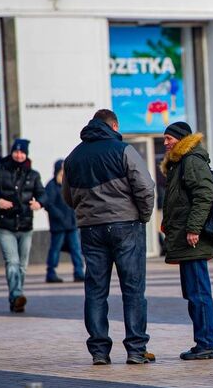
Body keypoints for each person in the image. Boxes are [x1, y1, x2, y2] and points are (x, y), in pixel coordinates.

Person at [62, 109, 156, 366]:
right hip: (126, 225)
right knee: (133, 289)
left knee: (95, 291)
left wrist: (88, 211)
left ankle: (99, 352)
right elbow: (145, 187)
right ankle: (136, 350)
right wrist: (143, 216)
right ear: (114, 126)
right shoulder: (123, 150)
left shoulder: (73, 157)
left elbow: (67, 196)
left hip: (91, 229)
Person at [160, 121, 213, 361]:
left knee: (199, 294)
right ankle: (203, 342)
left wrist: (194, 228)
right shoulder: (180, 162)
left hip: (192, 239)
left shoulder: (191, 161)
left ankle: (207, 344)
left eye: (169, 138)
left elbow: (204, 195)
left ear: (182, 139)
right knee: (193, 293)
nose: (165, 143)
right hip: (185, 237)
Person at [0, 138, 45, 312]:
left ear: (26, 154)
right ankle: (16, 295)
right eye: (16, 151)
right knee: (12, 262)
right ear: (11, 153)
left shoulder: (33, 175)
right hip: (5, 226)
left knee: (22, 266)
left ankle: (16, 298)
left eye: (22, 152)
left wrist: (39, 203)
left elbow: (43, 194)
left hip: (25, 226)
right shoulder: (1, 173)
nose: (19, 155)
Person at [43, 159, 85, 283]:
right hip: (59, 226)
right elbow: (48, 204)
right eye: (61, 171)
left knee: (76, 249)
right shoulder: (51, 186)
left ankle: (79, 272)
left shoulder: (71, 184)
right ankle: (51, 273)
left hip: (72, 225)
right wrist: (60, 217)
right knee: (55, 250)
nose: (63, 173)